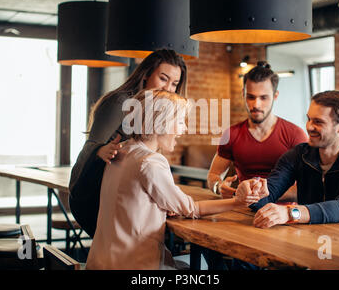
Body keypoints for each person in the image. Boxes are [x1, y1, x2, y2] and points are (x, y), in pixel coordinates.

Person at [85, 90, 258, 270]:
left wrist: (161, 208)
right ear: (161, 123)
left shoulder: (121, 151)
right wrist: (238, 201)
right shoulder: (151, 162)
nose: (184, 129)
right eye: (181, 121)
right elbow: (192, 208)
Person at [69, 49, 188, 238]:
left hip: (119, 197)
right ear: (146, 74)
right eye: (163, 78)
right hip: (91, 195)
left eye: (174, 83)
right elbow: (91, 145)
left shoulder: (153, 109)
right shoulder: (121, 101)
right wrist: (100, 149)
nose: (168, 88)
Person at [237, 90, 339, 232]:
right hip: (312, 238)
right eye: (309, 119)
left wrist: (290, 213)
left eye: (318, 122)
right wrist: (251, 194)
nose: (309, 127)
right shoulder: (298, 154)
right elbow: (268, 194)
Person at [208, 61, 307, 201]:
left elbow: (308, 186)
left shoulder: (295, 135)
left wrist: (263, 196)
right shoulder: (231, 134)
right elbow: (213, 175)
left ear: (275, 96)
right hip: (241, 210)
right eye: (251, 97)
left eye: (263, 98)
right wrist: (218, 187)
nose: (256, 105)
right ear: (243, 94)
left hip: (283, 214)